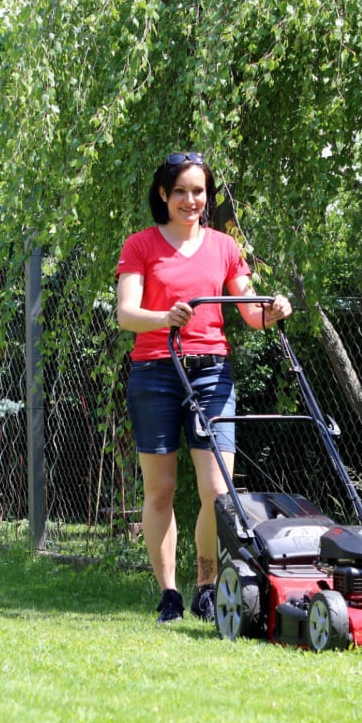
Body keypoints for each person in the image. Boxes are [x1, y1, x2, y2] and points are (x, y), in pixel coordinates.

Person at [116, 152, 292, 624]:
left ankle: (206, 587)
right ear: (163, 194)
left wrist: (274, 309)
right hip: (155, 371)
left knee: (218, 491)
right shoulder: (140, 245)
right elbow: (126, 314)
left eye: (198, 191)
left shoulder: (224, 246)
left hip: (211, 373)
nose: (190, 200)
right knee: (161, 490)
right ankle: (169, 594)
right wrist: (165, 317)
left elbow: (251, 313)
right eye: (180, 191)